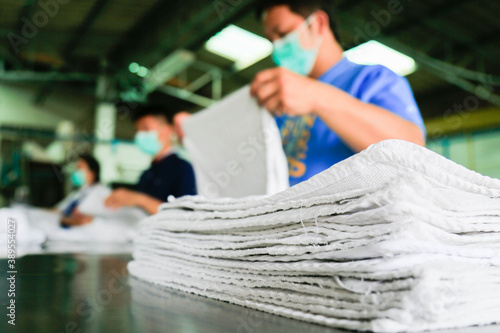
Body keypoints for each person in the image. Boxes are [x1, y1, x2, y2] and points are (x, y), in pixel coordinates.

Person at [251, 0, 426, 186]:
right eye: (271, 40)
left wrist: (316, 95)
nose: (277, 48)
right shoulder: (281, 101)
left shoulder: (372, 79)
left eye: (283, 34)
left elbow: (412, 150)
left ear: (318, 23)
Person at [105, 105, 197, 214]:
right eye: (138, 130)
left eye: (145, 128)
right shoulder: (146, 173)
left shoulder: (184, 169)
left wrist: (140, 200)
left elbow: (186, 215)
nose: (140, 135)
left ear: (167, 130)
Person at [57, 154, 103, 227]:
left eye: (79, 168)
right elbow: (58, 210)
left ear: (92, 173)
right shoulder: (78, 192)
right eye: (76, 168)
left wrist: (63, 220)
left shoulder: (101, 194)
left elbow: (86, 220)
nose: (76, 171)